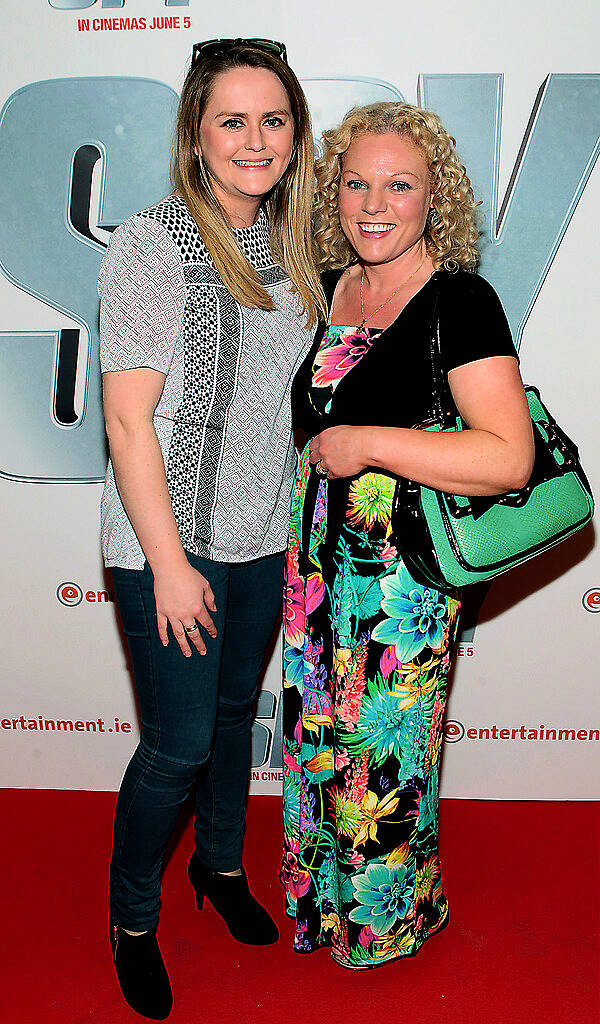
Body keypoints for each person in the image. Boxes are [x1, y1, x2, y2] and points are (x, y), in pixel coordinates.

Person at [99, 39, 324, 1019]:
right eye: (232, 119)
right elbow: (125, 419)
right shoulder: (156, 240)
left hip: (261, 530)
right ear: (197, 133)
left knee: (237, 715)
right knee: (181, 743)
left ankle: (222, 869)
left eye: (273, 119)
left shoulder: (301, 240)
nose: (255, 139)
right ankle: (133, 919)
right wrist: (167, 564)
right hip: (171, 540)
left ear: (296, 132)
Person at [281, 102, 534, 970]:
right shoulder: (333, 285)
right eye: (356, 183)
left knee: (383, 759)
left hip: (400, 580)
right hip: (316, 557)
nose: (374, 203)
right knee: (321, 732)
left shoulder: (460, 299)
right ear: (334, 194)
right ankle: (324, 905)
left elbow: (508, 457)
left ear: (438, 199)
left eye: (400, 184)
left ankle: (384, 922)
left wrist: (371, 444)